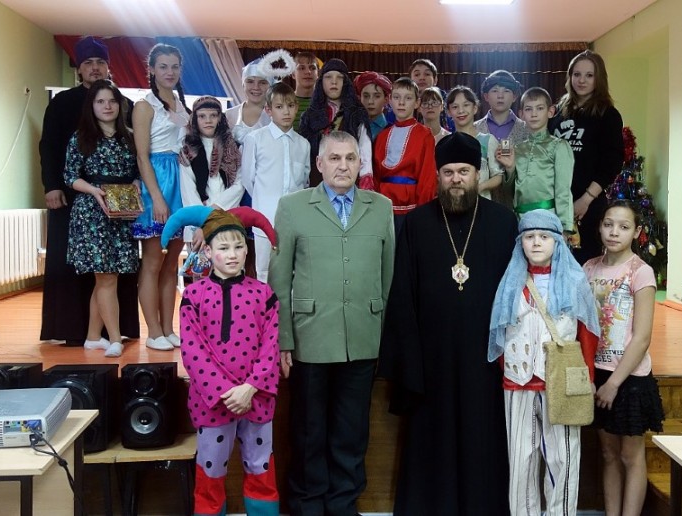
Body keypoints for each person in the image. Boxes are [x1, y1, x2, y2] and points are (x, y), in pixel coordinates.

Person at [378, 132, 518, 515]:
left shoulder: (504, 223)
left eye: (464, 171)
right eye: (449, 172)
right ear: (439, 176)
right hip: (432, 360)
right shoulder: (418, 223)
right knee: (431, 437)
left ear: (477, 174)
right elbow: (402, 293)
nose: (456, 179)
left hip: (485, 359)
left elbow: (516, 294)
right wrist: (408, 362)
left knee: (482, 436)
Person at [268, 131, 395, 516]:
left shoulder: (381, 207)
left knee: (351, 431)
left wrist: (383, 335)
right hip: (310, 338)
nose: (343, 166)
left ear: (360, 163)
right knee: (308, 431)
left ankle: (343, 504)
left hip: (362, 335)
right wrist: (283, 339)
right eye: (335, 158)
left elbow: (388, 275)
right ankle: (308, 504)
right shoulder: (292, 207)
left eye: (350, 158)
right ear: (319, 164)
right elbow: (278, 279)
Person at [163, 206, 280, 516]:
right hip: (212, 403)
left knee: (261, 468)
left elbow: (270, 346)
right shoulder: (193, 296)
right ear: (208, 251)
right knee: (211, 471)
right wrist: (226, 392)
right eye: (223, 248)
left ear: (247, 249)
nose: (232, 255)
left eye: (238, 247)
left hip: (257, 398)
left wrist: (250, 388)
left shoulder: (264, 294)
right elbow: (193, 351)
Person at [488, 209, 600, 516]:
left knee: (563, 457)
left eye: (544, 237)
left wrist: (587, 377)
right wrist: (509, 368)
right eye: (529, 237)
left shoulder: (574, 281)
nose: (536, 243)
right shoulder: (510, 282)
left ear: (557, 241)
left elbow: (588, 332)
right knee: (521, 460)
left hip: (562, 382)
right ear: (520, 242)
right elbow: (500, 330)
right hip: (518, 381)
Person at [39, 36, 139, 345]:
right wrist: (52, 186)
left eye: (100, 62)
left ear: (108, 68)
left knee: (112, 273)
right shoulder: (61, 103)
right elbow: (49, 147)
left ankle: (102, 333)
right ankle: (72, 330)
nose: (95, 68)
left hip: (120, 206)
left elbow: (139, 159)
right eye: (88, 63)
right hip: (76, 200)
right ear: (79, 69)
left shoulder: (126, 107)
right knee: (82, 269)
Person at [583, 200, 664, 516]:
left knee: (631, 456)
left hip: (628, 379)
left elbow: (642, 338)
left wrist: (614, 384)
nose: (614, 232)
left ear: (636, 231)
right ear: (600, 226)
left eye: (624, 226)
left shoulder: (640, 272)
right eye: (608, 224)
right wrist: (591, 377)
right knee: (608, 454)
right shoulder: (589, 268)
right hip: (597, 375)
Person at [64, 80, 141, 358]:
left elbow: (138, 171)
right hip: (92, 213)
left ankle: (93, 337)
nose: (107, 106)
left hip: (122, 212)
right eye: (100, 101)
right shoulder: (81, 137)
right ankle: (116, 338)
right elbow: (70, 176)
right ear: (92, 106)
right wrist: (94, 191)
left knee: (108, 277)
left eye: (112, 101)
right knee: (106, 276)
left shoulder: (129, 137)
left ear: (120, 105)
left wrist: (136, 183)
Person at [131, 43, 190, 351]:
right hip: (157, 181)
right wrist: (156, 197)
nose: (170, 72)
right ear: (152, 69)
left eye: (175, 66)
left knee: (172, 263)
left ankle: (168, 328)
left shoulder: (182, 104)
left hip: (181, 182)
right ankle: (153, 331)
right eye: (163, 66)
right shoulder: (145, 106)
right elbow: (142, 155)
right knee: (153, 261)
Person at [550, 50, 624, 264]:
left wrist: (586, 199)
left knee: (584, 264)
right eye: (577, 74)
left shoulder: (608, 114)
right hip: (555, 202)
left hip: (587, 205)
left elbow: (612, 162)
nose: (581, 80)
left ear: (598, 78)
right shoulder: (559, 112)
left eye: (589, 75)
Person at [240, 82, 310, 282]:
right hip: (265, 218)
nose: (286, 112)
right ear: (268, 110)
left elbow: (304, 181)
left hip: (295, 220)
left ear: (296, 107)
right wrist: (264, 201)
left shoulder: (303, 144)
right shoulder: (255, 139)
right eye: (279, 107)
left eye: (290, 106)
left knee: (293, 272)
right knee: (264, 272)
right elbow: (248, 179)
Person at [496, 87, 575, 233]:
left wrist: (564, 227)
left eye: (539, 108)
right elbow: (509, 192)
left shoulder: (559, 146)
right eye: (528, 109)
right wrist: (509, 168)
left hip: (549, 219)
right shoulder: (517, 149)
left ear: (550, 111)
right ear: (521, 114)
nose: (534, 114)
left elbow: (563, 190)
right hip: (520, 220)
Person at [373, 77, 437, 234]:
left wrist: (423, 212)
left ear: (417, 103)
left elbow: (427, 177)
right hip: (383, 202)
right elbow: (375, 174)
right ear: (389, 100)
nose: (401, 103)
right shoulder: (382, 136)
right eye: (397, 97)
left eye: (408, 98)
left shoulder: (424, 135)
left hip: (411, 204)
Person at [180, 96, 244, 251]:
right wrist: (203, 220)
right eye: (202, 116)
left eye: (213, 115)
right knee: (200, 265)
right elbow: (188, 190)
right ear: (195, 119)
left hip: (227, 215)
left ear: (220, 118)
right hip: (198, 223)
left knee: (229, 263)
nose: (208, 120)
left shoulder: (234, 148)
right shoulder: (188, 150)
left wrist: (216, 209)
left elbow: (240, 184)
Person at [298, 59, 373, 188]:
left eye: (339, 77)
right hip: (316, 181)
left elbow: (364, 150)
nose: (334, 82)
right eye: (328, 77)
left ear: (345, 82)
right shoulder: (309, 116)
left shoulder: (357, 114)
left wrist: (366, 182)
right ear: (321, 82)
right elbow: (302, 155)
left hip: (349, 179)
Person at [475, 70, 529, 209]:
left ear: (514, 96)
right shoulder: (474, 129)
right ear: (486, 96)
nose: (500, 96)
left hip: (516, 203)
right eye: (495, 91)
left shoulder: (526, 130)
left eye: (506, 91)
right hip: (481, 201)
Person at [445, 85, 504, 199]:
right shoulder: (446, 143)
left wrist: (480, 187)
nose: (461, 111)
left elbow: (498, 176)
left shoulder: (487, 140)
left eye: (466, 105)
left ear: (475, 108)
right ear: (448, 112)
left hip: (482, 201)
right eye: (455, 107)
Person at [225, 58, 272, 144]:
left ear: (270, 86)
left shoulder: (276, 116)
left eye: (262, 82)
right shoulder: (228, 115)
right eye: (250, 81)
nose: (256, 87)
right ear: (243, 84)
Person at [353, 71, 392, 142]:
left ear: (386, 100)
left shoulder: (392, 132)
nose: (370, 101)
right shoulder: (353, 128)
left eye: (377, 96)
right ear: (359, 98)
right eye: (366, 96)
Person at [291, 52, 319, 131]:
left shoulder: (326, 104)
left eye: (312, 68)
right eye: (302, 68)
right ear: (293, 74)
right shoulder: (284, 102)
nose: (308, 72)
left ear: (318, 74)